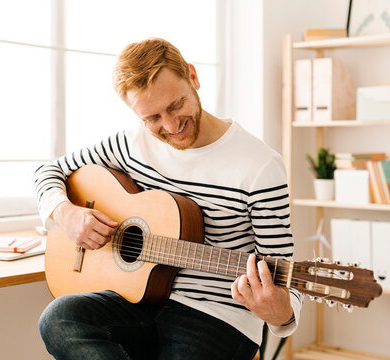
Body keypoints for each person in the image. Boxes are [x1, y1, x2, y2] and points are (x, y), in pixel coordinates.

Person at [34, 38, 302, 360]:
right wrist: (66, 214)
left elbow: (284, 274)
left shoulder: (260, 166)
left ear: (193, 76)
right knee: (58, 318)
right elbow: (49, 171)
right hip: (138, 301)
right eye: (152, 118)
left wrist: (280, 313)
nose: (171, 126)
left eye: (176, 105)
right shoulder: (129, 145)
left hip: (217, 315)